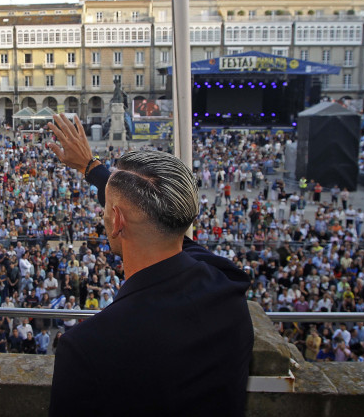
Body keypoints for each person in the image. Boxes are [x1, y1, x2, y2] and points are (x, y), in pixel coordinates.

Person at [46, 114, 253, 416]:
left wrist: (95, 170)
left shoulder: (87, 349)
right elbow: (167, 224)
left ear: (116, 221)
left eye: (107, 210)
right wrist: (93, 169)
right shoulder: (229, 287)